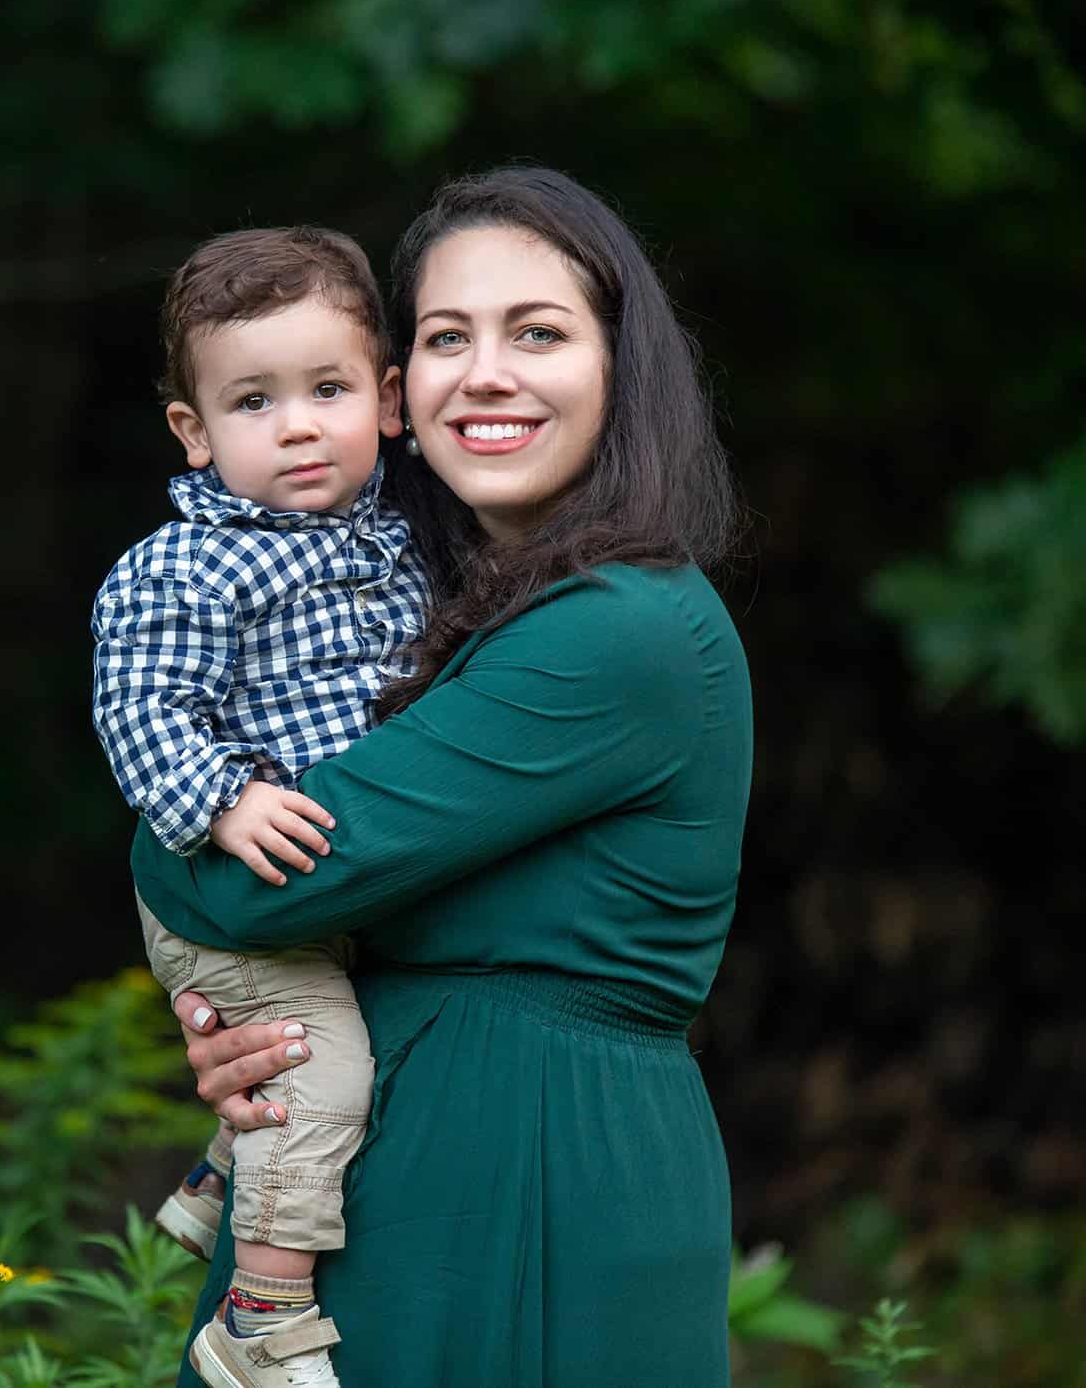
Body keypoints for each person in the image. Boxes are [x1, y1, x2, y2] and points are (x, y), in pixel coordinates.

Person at [132, 165, 749, 1388]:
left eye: (538, 332)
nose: (486, 373)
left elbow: (259, 887)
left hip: (529, 1190)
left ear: (623, 369)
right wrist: (243, 1026)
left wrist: (167, 830)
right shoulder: (446, 613)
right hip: (419, 1174)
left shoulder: (614, 633)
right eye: (443, 336)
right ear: (398, 387)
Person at [91, 225, 432, 1388]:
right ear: (192, 433)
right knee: (320, 1069)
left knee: (316, 1054)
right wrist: (225, 800)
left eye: (326, 389)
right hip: (224, 890)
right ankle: (260, 1317)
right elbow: (137, 709)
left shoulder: (398, 536)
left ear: (387, 400)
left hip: (319, 893)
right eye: (251, 401)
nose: (296, 424)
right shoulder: (187, 567)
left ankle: (211, 1186)